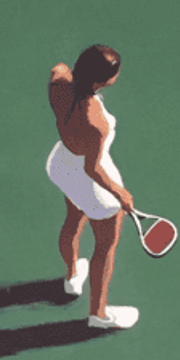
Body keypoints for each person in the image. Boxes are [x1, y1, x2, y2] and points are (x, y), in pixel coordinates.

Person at [46, 45, 138, 329]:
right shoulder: (96, 121)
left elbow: (60, 68)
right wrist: (120, 193)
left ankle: (72, 277)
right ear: (103, 81)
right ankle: (99, 315)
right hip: (91, 181)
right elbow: (93, 168)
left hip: (63, 165)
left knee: (73, 219)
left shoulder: (59, 80)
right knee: (105, 247)